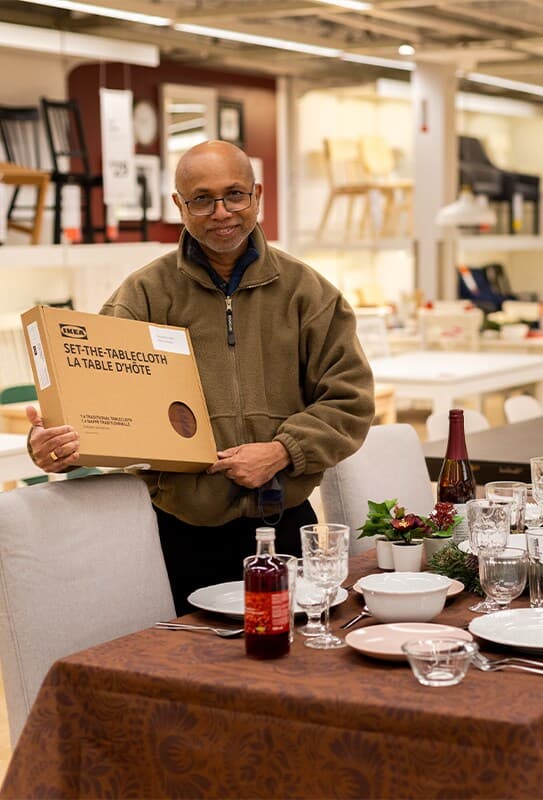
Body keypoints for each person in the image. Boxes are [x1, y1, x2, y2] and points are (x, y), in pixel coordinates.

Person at [26, 140, 375, 614]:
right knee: (186, 670)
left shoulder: (308, 294)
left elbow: (349, 402)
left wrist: (282, 451)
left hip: (285, 522)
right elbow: (100, 405)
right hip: (175, 533)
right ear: (178, 205)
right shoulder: (142, 296)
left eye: (235, 195)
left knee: (296, 663)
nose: (222, 212)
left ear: (256, 194)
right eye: (202, 199)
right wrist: (56, 446)